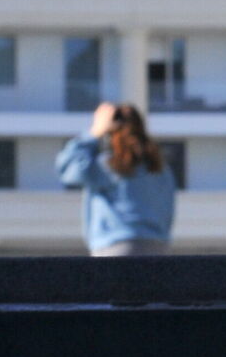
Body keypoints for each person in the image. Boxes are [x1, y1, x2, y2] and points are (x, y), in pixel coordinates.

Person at [57, 101, 176, 257]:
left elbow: (67, 168)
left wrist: (94, 132)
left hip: (116, 246)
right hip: (157, 247)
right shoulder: (160, 168)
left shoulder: (110, 165)